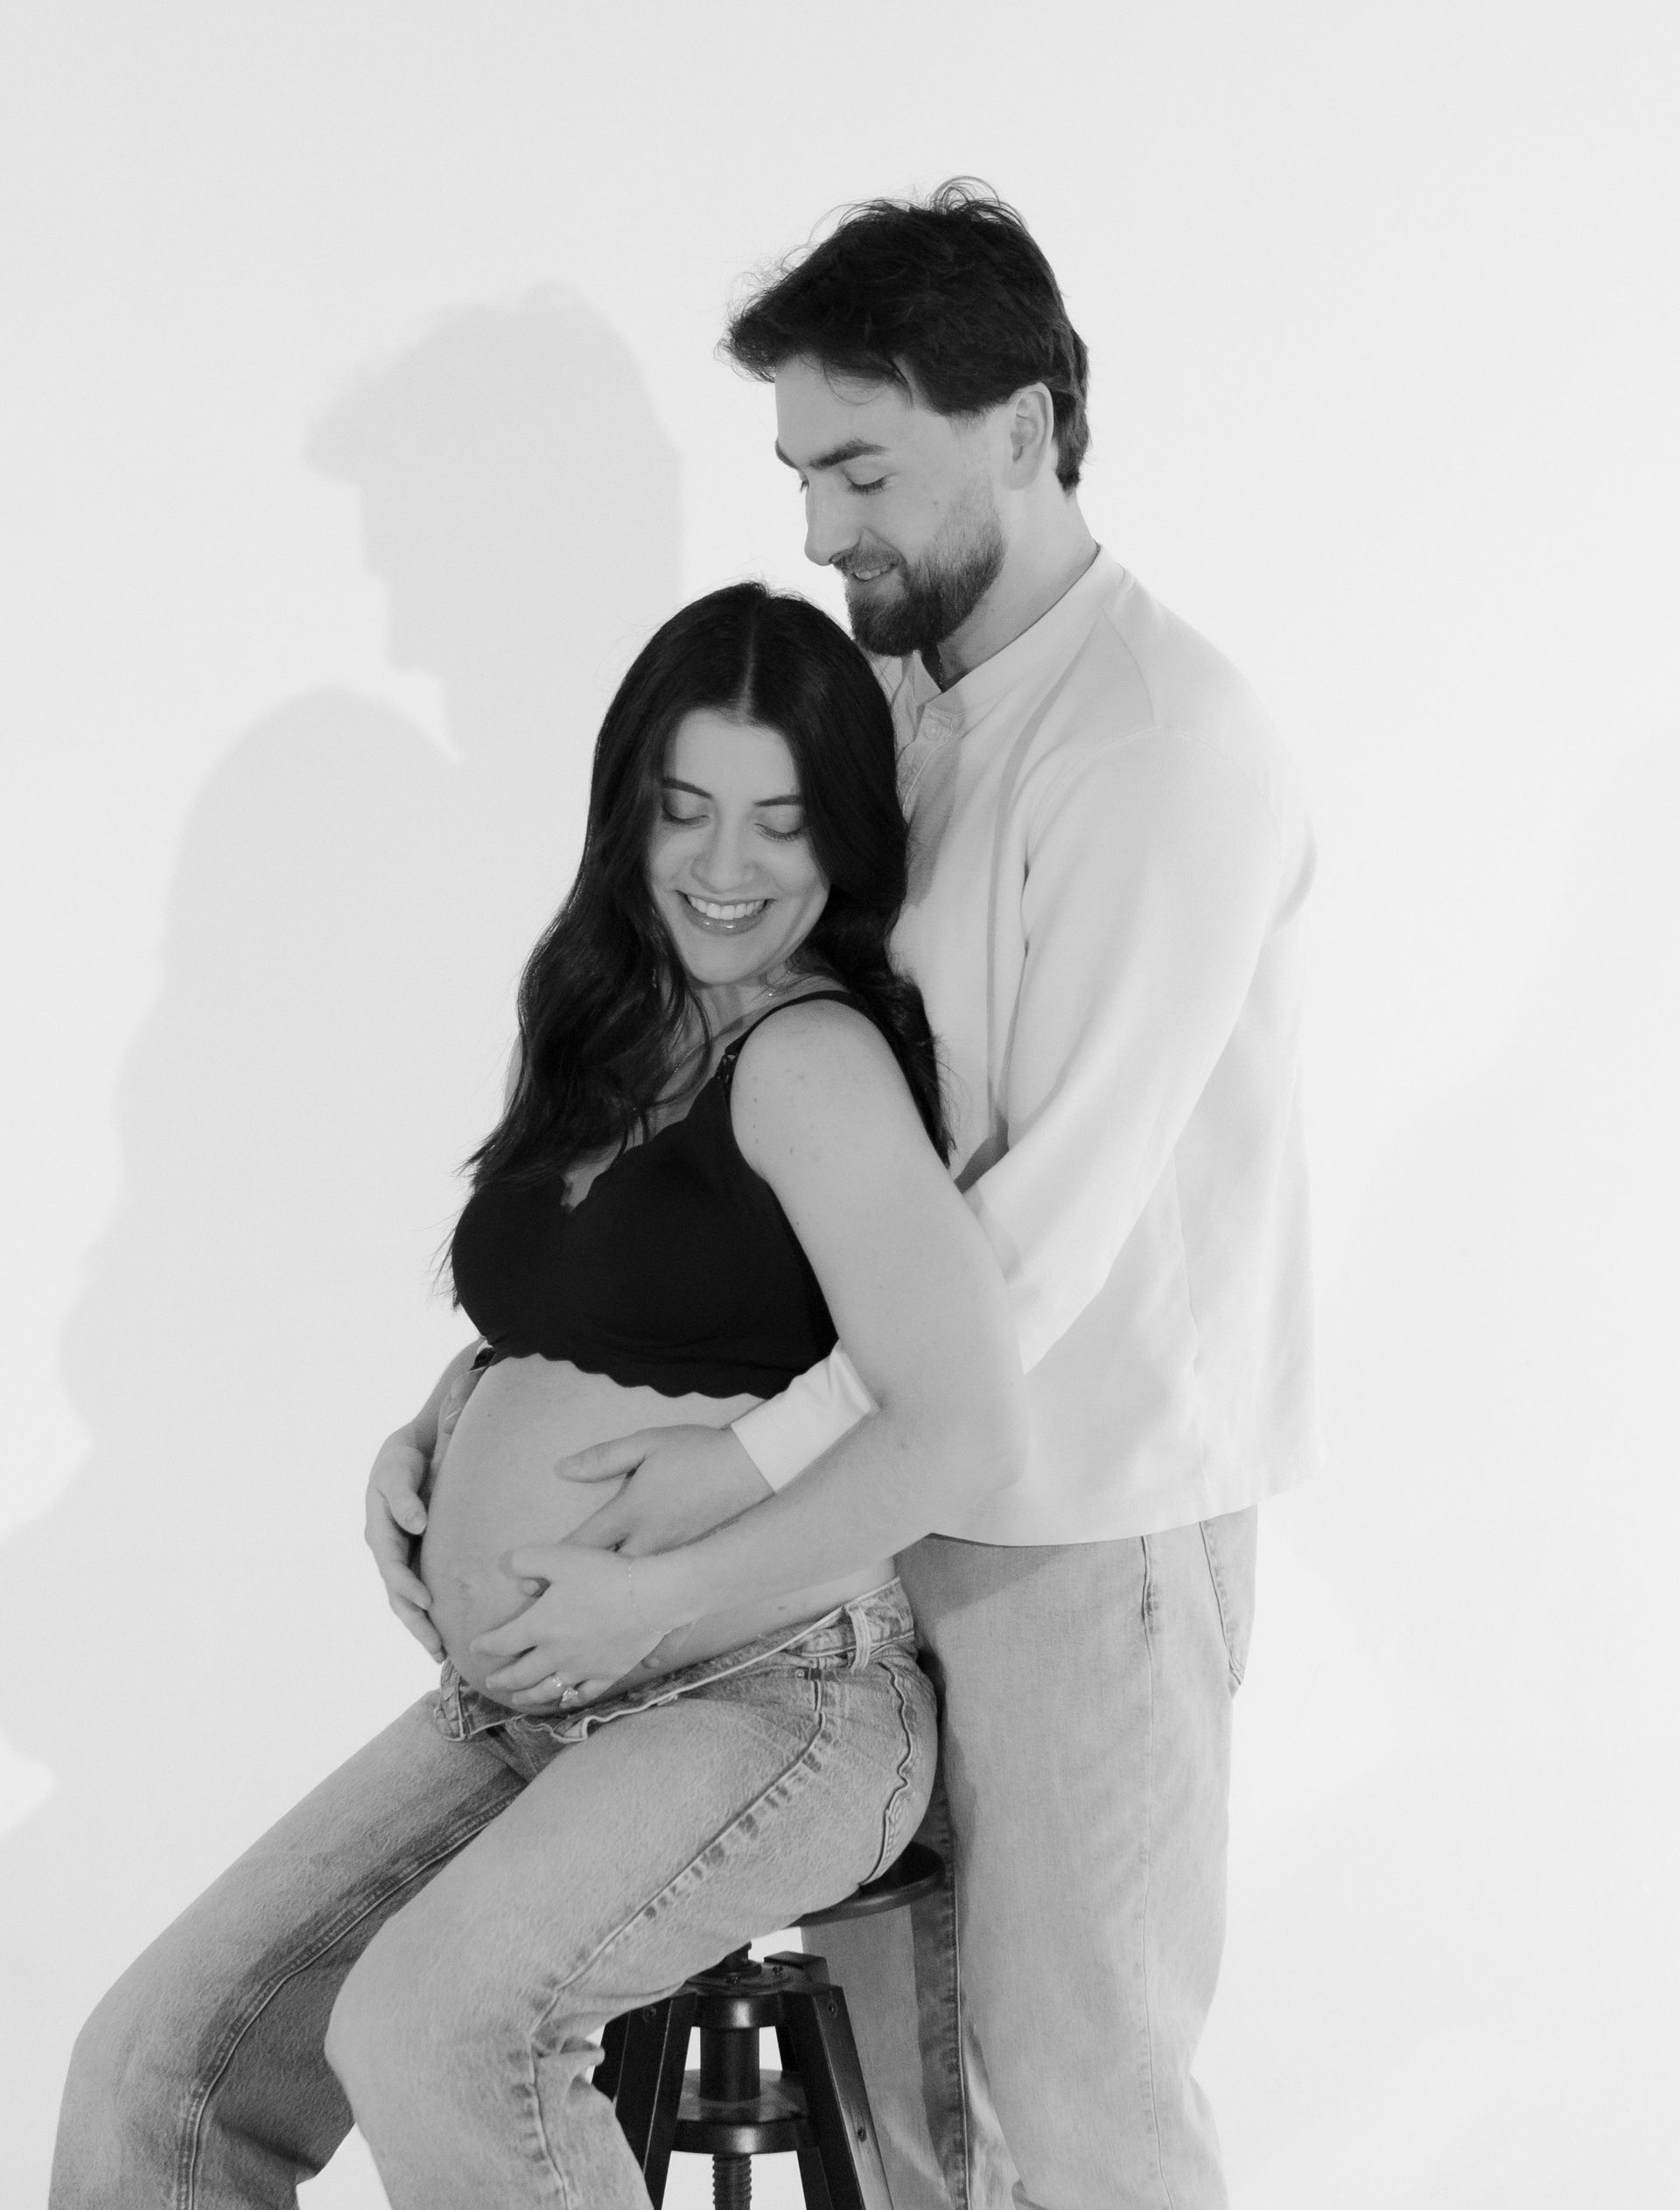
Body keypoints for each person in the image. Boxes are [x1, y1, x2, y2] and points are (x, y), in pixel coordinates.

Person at [527, 186, 1323, 2210]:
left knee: (1080, 2109)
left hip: (1084, 1530)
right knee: (893, 2119)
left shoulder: (1156, 746)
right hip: (883, 1516)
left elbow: (1043, 1227)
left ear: (1030, 427)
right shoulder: (896, 708)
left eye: (861, 468)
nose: (817, 531)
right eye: (799, 472)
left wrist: (735, 1470)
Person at [50, 583, 1027, 2210]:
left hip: (775, 1689)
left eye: (781, 823)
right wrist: (434, 1434)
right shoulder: (603, 1017)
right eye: (687, 811)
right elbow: (577, 1311)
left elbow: (963, 1423)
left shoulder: (810, 1062)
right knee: (156, 2064)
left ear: (842, 835)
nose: (727, 868)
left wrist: (645, 1601)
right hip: (530, 1703)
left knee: (437, 2028)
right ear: (627, 810)